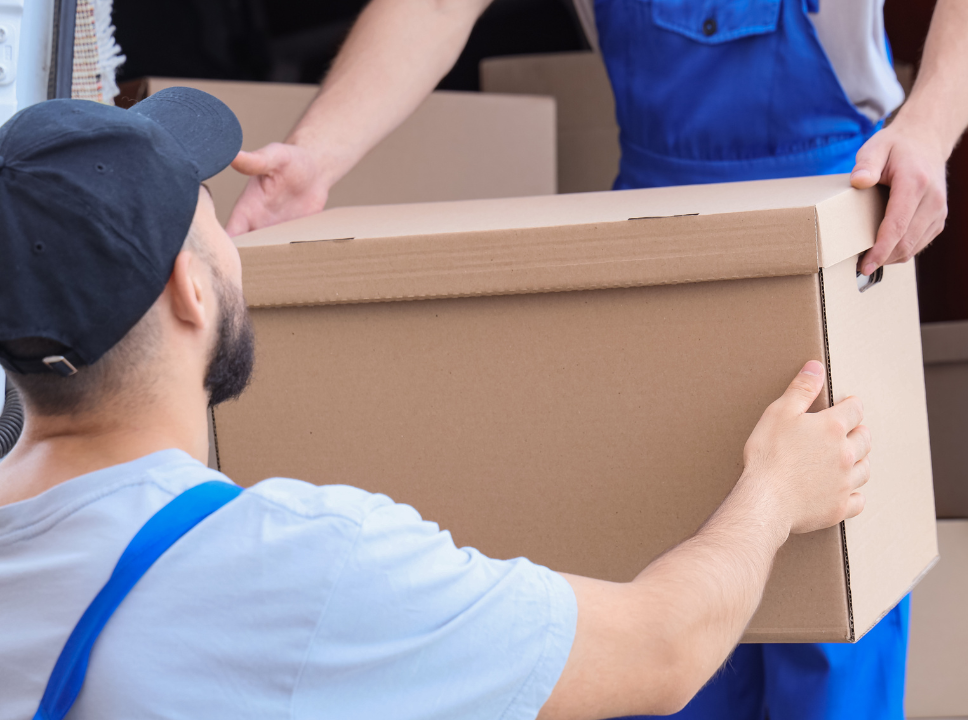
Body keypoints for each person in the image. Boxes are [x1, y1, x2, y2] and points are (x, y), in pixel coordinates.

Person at [224, 1, 968, 717]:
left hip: (841, 214)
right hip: (655, 220)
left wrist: (927, 131)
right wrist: (316, 155)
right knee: (663, 564)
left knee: (835, 598)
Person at [0, 90, 873, 720]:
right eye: (213, 222)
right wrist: (776, 493)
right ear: (191, 291)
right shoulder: (300, 569)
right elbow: (662, 649)